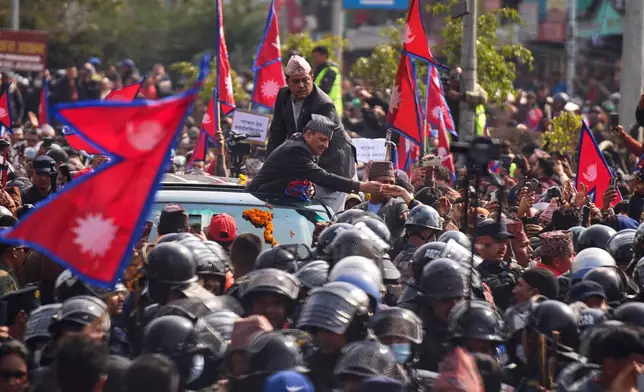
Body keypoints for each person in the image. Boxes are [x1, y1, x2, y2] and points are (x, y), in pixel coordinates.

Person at [266, 55, 356, 212]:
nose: (301, 85)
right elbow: (277, 135)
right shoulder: (283, 96)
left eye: (305, 80)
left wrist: (306, 179)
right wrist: (269, 167)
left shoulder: (323, 104)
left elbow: (317, 144)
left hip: (333, 165)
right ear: (287, 81)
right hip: (307, 163)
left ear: (312, 77)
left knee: (324, 218)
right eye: (296, 81)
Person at [247, 114, 381, 197]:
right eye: (322, 139)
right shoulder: (296, 150)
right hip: (257, 199)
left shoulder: (303, 146)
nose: (326, 145)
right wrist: (361, 186)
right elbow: (322, 177)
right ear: (308, 135)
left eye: (328, 141)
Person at [353, 161, 422, 241]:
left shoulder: (398, 205)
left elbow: (423, 215)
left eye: (392, 183)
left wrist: (404, 193)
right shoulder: (358, 209)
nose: (389, 186)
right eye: (384, 182)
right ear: (371, 183)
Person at [311, 46, 343, 115]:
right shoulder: (321, 70)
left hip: (331, 110)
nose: (314, 59)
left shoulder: (331, 70)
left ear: (324, 55)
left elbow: (324, 89)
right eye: (313, 57)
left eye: (316, 56)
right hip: (324, 110)